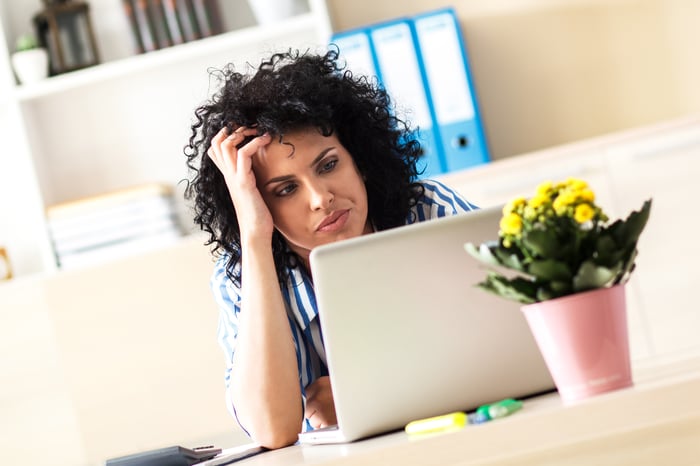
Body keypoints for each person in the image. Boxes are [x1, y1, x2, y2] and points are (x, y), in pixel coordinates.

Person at [183, 48, 478, 449]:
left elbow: (528, 333)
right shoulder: (241, 275)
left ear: (358, 157)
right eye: (285, 190)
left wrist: (374, 393)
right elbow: (272, 428)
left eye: (327, 165)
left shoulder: (428, 209)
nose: (321, 198)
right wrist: (253, 237)